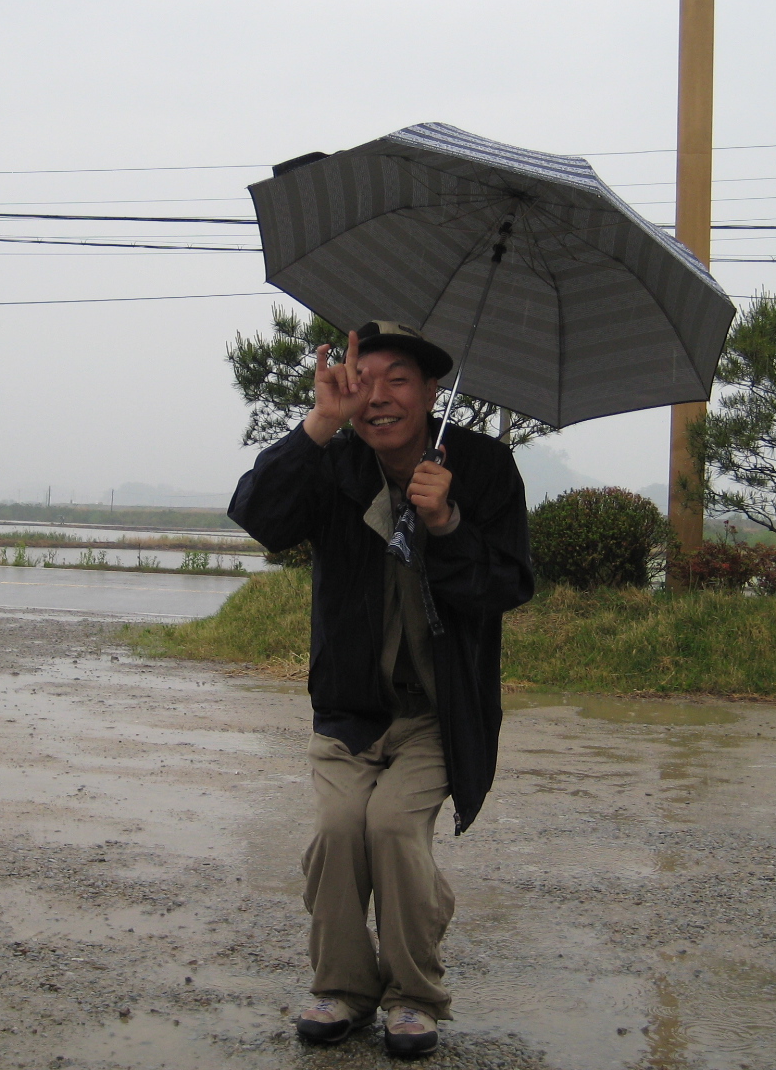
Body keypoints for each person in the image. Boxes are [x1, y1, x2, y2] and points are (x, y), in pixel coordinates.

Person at [228, 320, 534, 1058]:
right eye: (363, 380)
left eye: (399, 379)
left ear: (432, 391)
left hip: (437, 711)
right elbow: (259, 516)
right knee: (340, 831)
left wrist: (447, 522)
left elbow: (507, 586)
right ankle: (341, 987)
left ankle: (414, 995)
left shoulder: (484, 468)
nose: (379, 397)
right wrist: (318, 424)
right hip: (349, 707)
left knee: (393, 829)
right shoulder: (336, 462)